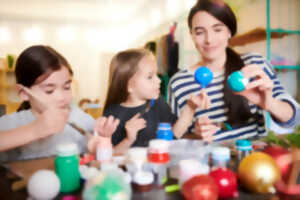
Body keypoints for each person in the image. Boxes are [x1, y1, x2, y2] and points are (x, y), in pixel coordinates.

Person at [168, 0, 299, 142]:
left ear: (229, 32)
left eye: (217, 29)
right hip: (209, 162)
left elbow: (295, 118)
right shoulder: (178, 83)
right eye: (200, 32)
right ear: (192, 35)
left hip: (254, 160)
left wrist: (269, 104)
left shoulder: (253, 66)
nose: (209, 40)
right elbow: (172, 139)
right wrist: (196, 136)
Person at [0, 45, 119, 162]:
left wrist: (103, 141)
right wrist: (35, 130)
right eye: (49, 90)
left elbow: (105, 157)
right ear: (23, 92)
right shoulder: (10, 123)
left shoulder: (79, 119)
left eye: (67, 87)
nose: (62, 97)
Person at [103, 48, 205, 153]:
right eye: (150, 77)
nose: (159, 80)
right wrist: (129, 139)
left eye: (156, 74)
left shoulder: (158, 103)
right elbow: (109, 156)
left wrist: (191, 107)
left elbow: (174, 135)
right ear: (129, 86)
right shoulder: (111, 116)